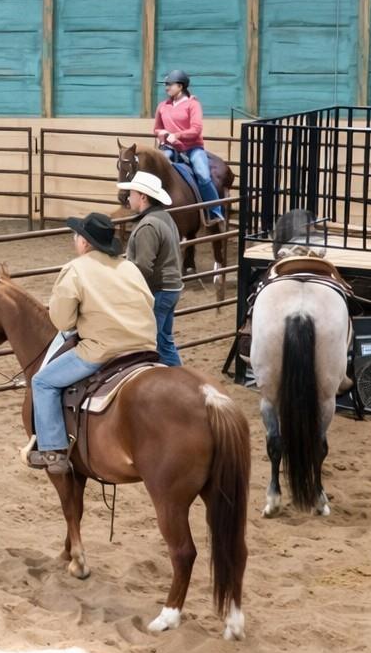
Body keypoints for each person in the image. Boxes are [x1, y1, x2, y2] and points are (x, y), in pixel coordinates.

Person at [28, 212, 158, 474]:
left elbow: (62, 322)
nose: (74, 240)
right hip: (144, 347)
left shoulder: (75, 270)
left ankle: (54, 450)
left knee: (42, 382)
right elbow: (150, 303)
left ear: (85, 243)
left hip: (102, 350)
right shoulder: (128, 267)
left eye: (76, 236)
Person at [119, 170, 184, 367]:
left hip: (159, 290)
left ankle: (175, 381)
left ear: (143, 197)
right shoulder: (163, 217)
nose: (128, 198)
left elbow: (143, 267)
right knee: (164, 342)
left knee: (149, 342)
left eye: (132, 194)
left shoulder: (148, 225)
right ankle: (180, 379)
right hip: (170, 287)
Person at [153, 70, 224, 223]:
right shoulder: (162, 106)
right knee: (154, 170)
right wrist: (163, 134)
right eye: (166, 85)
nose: (166, 88)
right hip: (170, 148)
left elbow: (196, 129)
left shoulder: (193, 104)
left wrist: (177, 135)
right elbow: (156, 128)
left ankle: (214, 211)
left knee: (203, 175)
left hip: (192, 148)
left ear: (180, 86)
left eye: (169, 85)